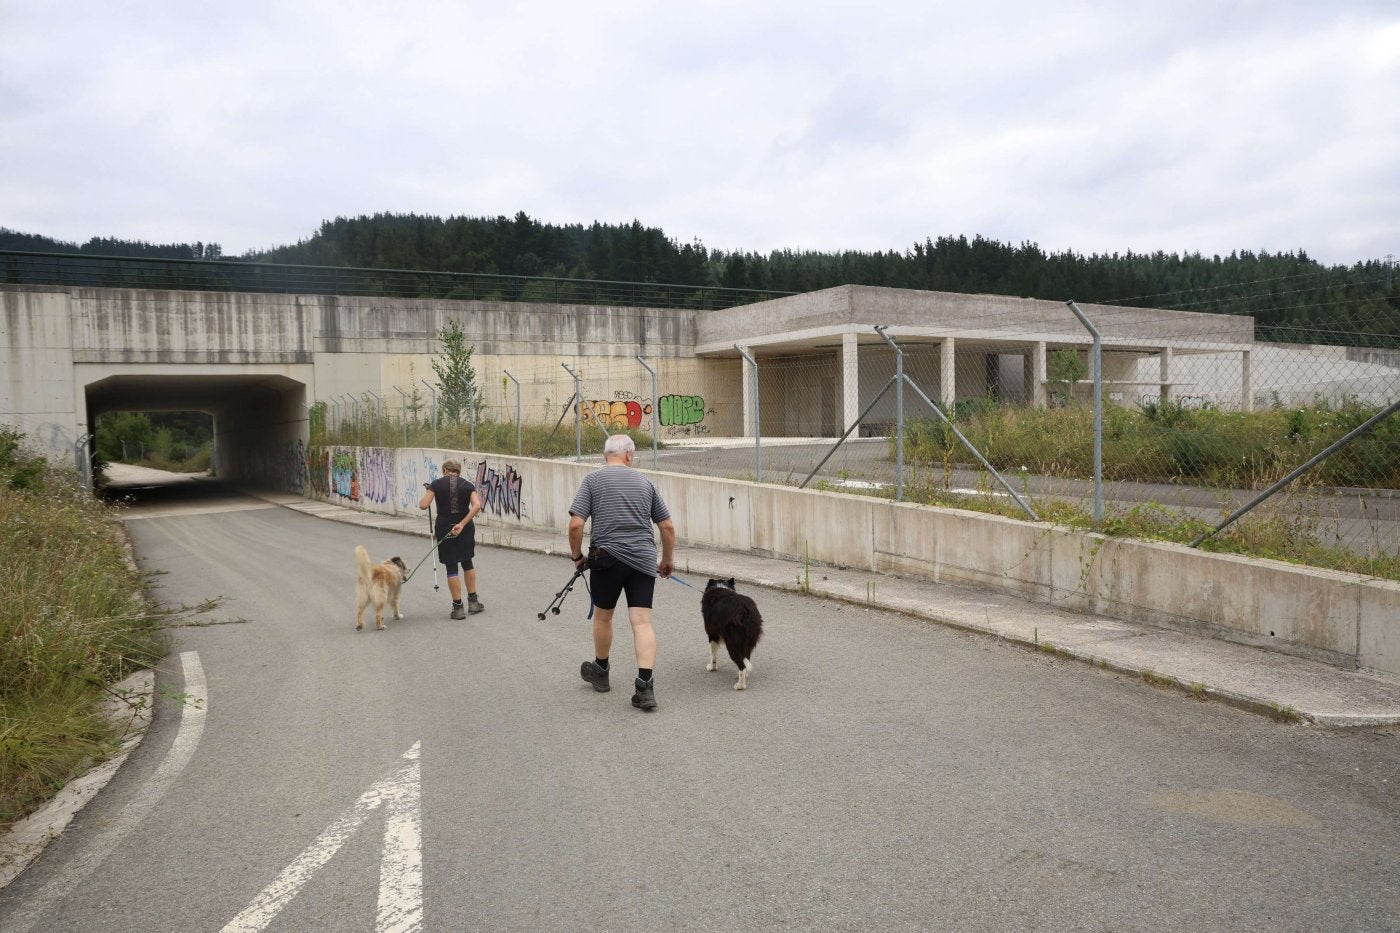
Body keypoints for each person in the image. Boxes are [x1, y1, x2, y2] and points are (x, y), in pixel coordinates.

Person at [568, 433, 675, 712]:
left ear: (605, 456)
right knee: (641, 622)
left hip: (606, 560)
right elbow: (667, 527)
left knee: (603, 616)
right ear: (628, 455)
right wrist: (666, 560)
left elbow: (575, 525)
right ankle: (645, 687)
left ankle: (601, 672)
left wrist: (578, 556)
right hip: (642, 559)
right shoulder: (645, 482)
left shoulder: (592, 481)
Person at [418, 459, 485, 619]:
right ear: (458, 471)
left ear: (444, 471)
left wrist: (430, 490)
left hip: (445, 526)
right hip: (465, 527)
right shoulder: (468, 485)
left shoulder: (436, 484)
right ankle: (474, 602)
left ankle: (458, 607)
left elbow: (423, 505)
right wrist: (461, 524)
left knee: (451, 566)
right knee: (467, 562)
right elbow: (477, 505)